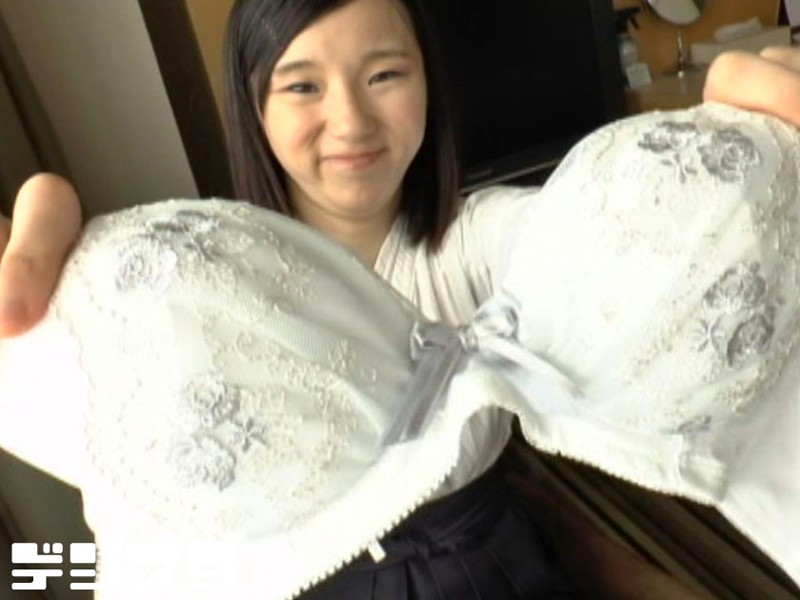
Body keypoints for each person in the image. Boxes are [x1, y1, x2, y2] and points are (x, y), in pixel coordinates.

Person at [1, 0, 800, 595]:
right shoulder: (202, 297)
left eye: (384, 75)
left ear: (428, 83)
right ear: (254, 105)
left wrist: (731, 171)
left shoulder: (480, 246)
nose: (350, 120)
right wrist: (77, 279)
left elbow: (605, 239)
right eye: (302, 85)